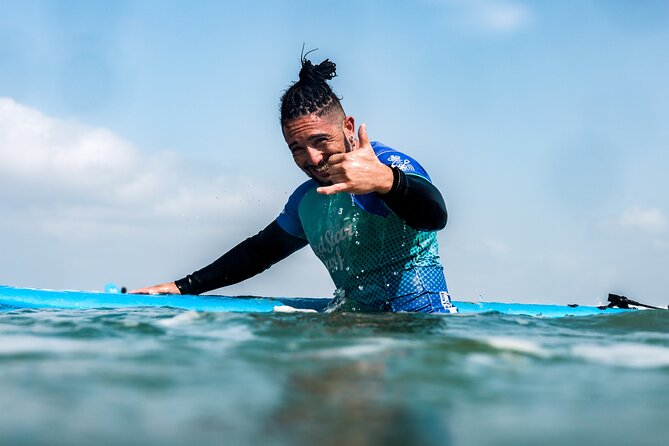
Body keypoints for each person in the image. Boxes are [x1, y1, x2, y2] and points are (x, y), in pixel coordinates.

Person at [131, 54, 456, 314]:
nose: (312, 159)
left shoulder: (383, 165)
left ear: (348, 127)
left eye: (320, 141)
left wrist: (388, 182)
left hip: (417, 331)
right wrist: (183, 286)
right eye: (297, 149)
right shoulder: (307, 200)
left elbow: (434, 215)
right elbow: (259, 252)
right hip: (359, 332)